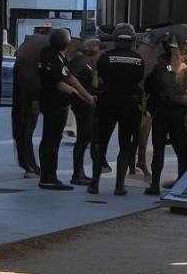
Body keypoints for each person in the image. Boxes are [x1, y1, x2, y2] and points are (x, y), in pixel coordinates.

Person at [88, 23, 146, 196]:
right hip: (129, 105)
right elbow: (139, 79)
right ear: (132, 41)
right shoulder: (138, 60)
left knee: (100, 143)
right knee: (125, 145)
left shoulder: (105, 58)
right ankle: (119, 186)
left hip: (107, 104)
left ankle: (94, 184)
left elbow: (100, 80)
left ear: (115, 40)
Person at [36, 28, 95, 190]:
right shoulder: (56, 60)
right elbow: (64, 80)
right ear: (66, 45)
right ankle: (48, 178)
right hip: (56, 105)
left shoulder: (46, 54)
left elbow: (63, 78)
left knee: (48, 140)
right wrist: (84, 96)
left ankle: (47, 176)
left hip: (47, 103)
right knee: (52, 141)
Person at [145, 38, 187, 195]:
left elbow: (152, 90)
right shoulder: (167, 73)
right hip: (175, 114)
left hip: (161, 115)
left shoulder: (159, 73)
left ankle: (155, 185)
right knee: (183, 150)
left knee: (159, 151)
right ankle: (182, 182)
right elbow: (174, 94)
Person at [67, 35, 101, 185]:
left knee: (84, 137)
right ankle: (77, 173)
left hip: (82, 102)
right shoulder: (83, 61)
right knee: (83, 138)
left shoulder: (83, 61)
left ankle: (79, 172)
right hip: (84, 103)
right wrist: (87, 95)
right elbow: (91, 84)